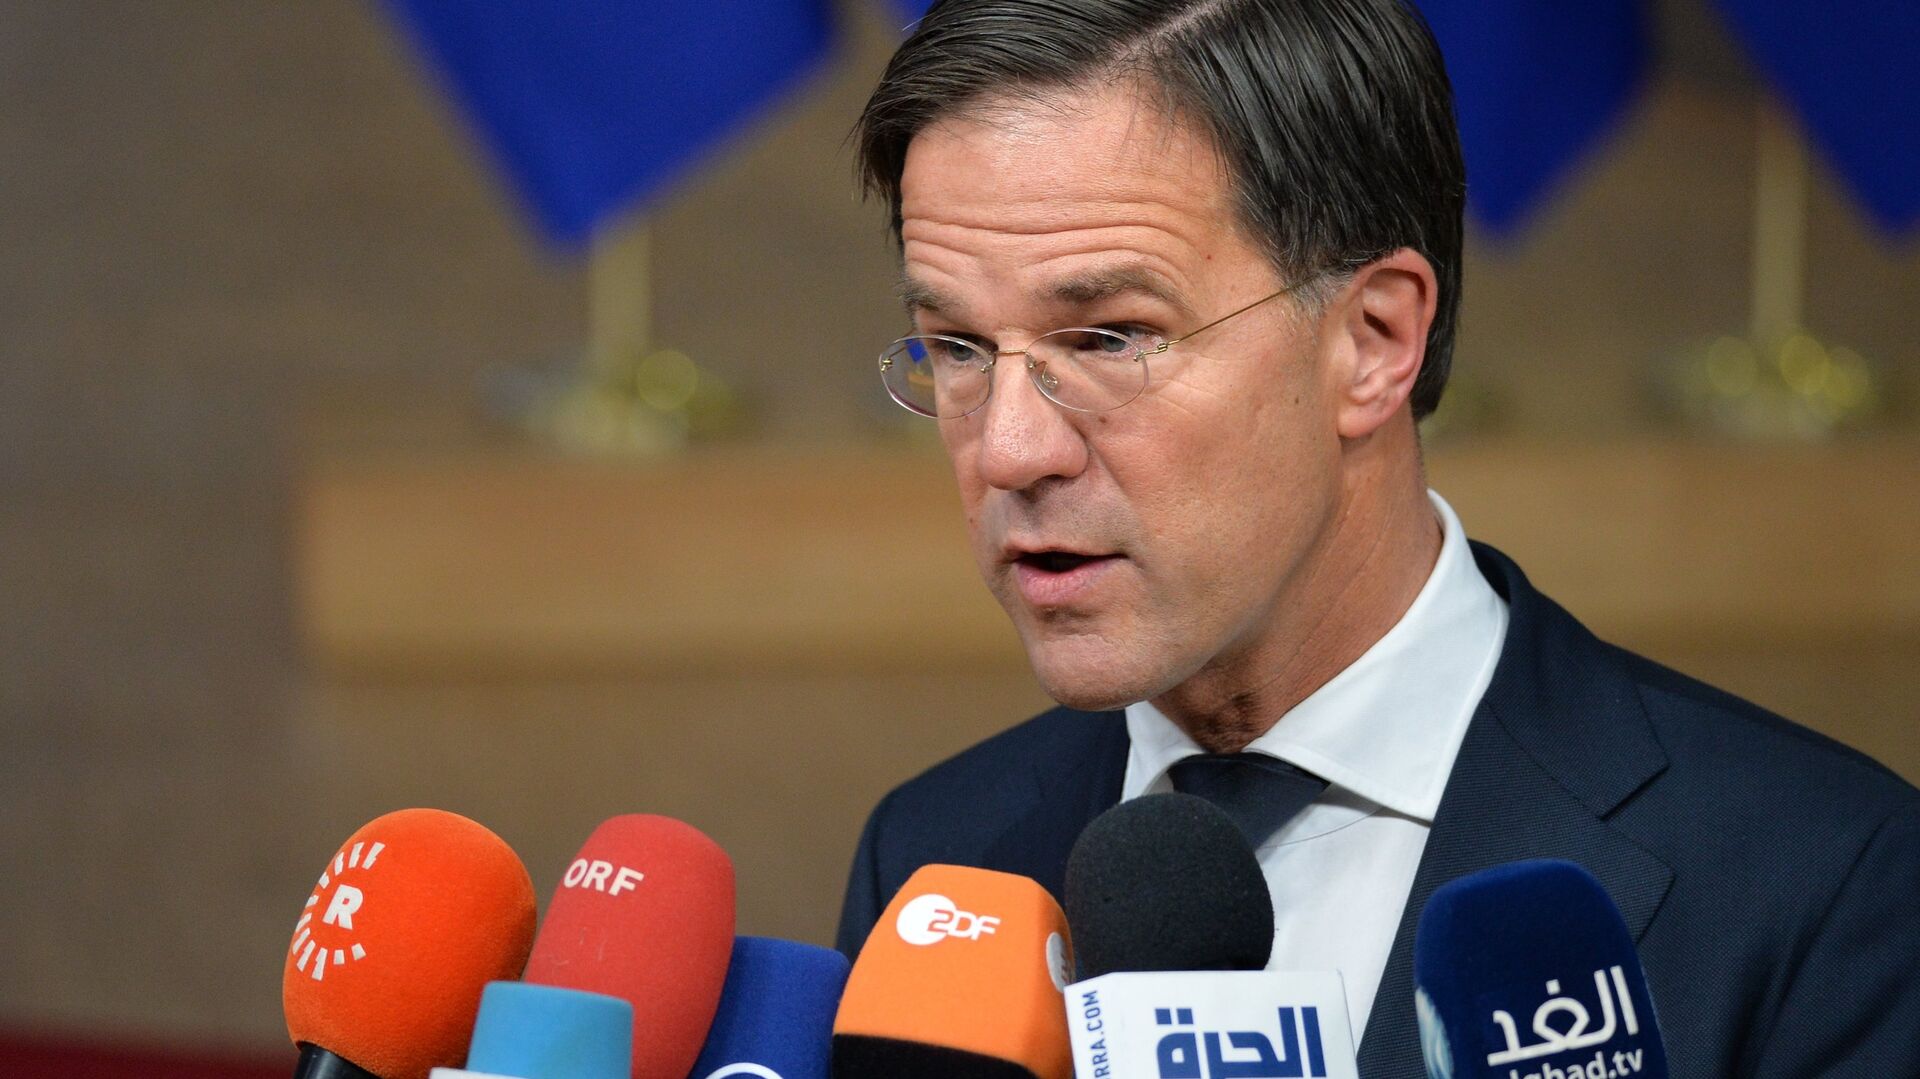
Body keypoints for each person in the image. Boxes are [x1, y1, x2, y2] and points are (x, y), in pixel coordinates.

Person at [832, 1, 1920, 1075]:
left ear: (1374, 339)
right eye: (957, 346)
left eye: (1111, 337)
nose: (1010, 450)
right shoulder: (933, 858)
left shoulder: (1826, 879)